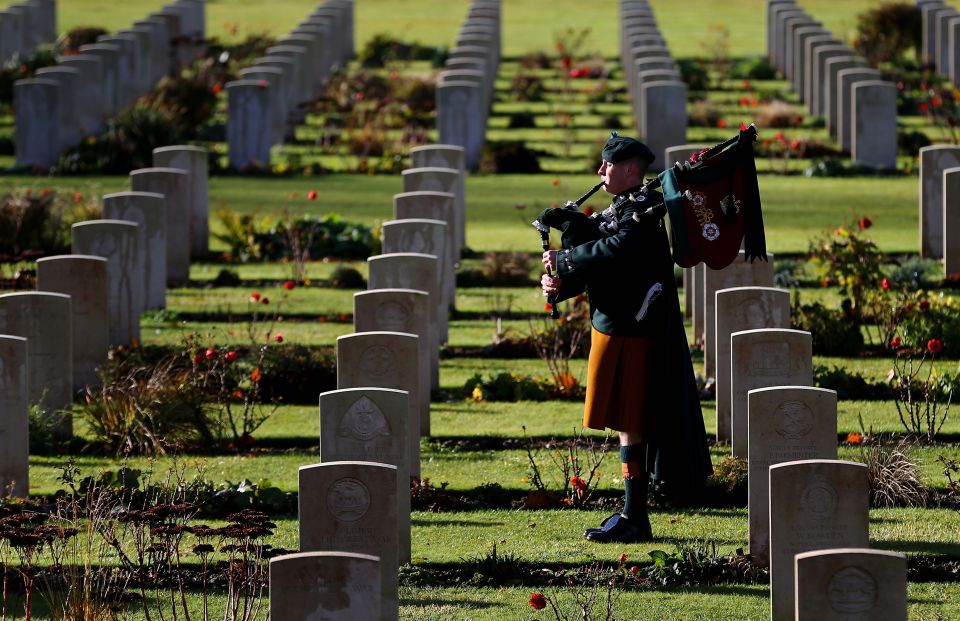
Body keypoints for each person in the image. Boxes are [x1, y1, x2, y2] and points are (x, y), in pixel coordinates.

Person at [540, 134, 712, 543]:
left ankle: (635, 515)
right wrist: (560, 280)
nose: (601, 172)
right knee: (623, 422)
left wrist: (564, 259)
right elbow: (599, 255)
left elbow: (614, 251)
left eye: (608, 165)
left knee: (630, 420)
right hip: (612, 326)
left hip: (634, 331)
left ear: (632, 170)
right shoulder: (622, 208)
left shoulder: (644, 214)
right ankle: (631, 512)